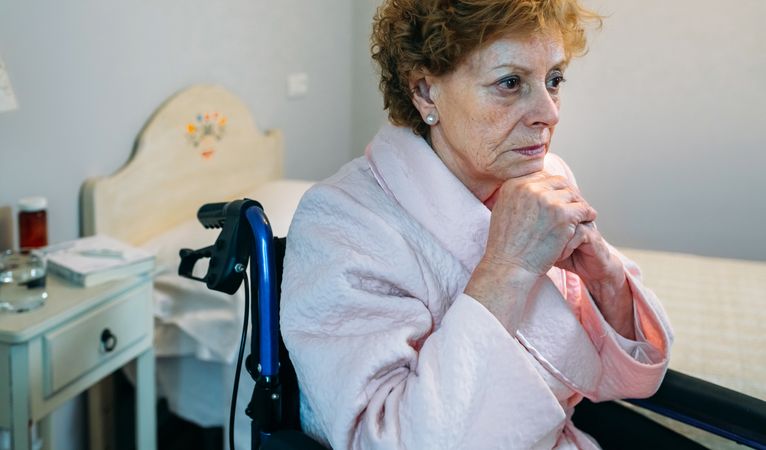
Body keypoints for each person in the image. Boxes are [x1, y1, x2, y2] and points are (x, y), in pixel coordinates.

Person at [281, 1, 675, 448]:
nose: (549, 111)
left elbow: (621, 377)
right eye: (510, 82)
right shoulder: (344, 221)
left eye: (554, 79)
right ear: (426, 92)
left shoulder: (543, 179)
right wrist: (506, 268)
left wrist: (606, 280)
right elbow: (382, 439)